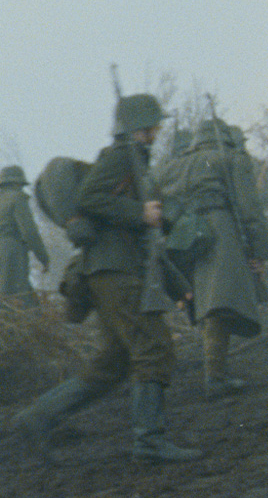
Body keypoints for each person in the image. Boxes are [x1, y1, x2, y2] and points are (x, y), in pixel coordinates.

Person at [13, 94, 200, 462]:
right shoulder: (120, 157)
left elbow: (146, 240)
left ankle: (37, 417)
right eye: (153, 125)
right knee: (153, 346)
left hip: (112, 271)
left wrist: (179, 285)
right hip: (116, 272)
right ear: (140, 127)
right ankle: (149, 441)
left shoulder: (135, 163)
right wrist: (140, 212)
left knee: (113, 363)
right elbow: (90, 198)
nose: (158, 131)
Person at [169, 118, 268, 393]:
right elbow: (250, 211)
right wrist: (260, 251)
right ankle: (215, 377)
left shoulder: (175, 166)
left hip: (185, 237)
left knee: (209, 304)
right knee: (218, 306)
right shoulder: (232, 159)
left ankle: (216, 374)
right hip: (221, 230)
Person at [0, 165, 52, 301]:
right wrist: (43, 258)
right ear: (17, 182)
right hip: (11, 250)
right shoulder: (17, 198)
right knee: (16, 293)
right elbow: (29, 231)